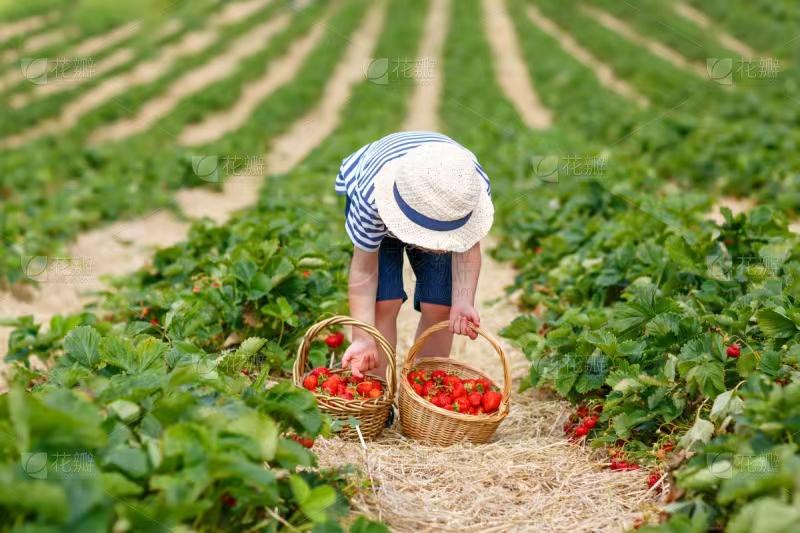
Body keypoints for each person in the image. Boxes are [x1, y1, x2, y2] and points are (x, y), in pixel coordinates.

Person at [335, 131, 493, 378]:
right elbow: (364, 271)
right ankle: (378, 391)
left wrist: (463, 301)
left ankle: (423, 391)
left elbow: (468, 246)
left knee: (441, 306)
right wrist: (363, 337)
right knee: (382, 303)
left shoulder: (468, 189)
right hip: (380, 199)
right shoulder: (370, 201)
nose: (438, 248)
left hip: (442, 203)